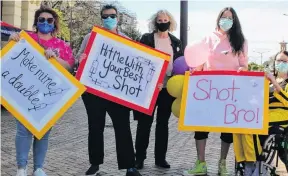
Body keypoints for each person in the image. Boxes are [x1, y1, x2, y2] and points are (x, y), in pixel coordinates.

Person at [76, 4, 141, 176]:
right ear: (101, 18)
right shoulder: (90, 37)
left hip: (118, 93)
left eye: (112, 16)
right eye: (105, 16)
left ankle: (130, 166)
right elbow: (78, 57)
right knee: (95, 127)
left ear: (118, 17)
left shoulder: (126, 39)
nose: (108, 19)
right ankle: (95, 164)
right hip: (94, 92)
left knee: (123, 128)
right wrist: (80, 58)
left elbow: (133, 67)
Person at [9, 6, 75, 176]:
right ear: (36, 22)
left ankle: (38, 168)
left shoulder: (61, 45)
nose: (45, 23)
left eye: (49, 20)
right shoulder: (25, 38)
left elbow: (69, 66)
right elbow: (10, 55)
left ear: (55, 24)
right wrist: (12, 39)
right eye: (42, 20)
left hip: (50, 96)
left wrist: (55, 58)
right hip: (23, 91)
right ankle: (21, 168)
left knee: (43, 131)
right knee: (23, 130)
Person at [183, 7, 248, 176]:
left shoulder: (240, 40)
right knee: (201, 127)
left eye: (230, 18)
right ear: (218, 19)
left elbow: (244, 63)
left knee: (226, 129)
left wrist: (242, 69)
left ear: (234, 21)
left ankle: (222, 163)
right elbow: (200, 61)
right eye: (223, 17)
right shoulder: (208, 38)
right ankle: (201, 163)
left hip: (230, 90)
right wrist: (195, 72)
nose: (226, 20)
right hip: (209, 90)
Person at [233, 50, 288, 175]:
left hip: (285, 113)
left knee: (252, 124)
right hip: (266, 112)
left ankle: (255, 164)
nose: (280, 63)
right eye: (278, 61)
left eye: (284, 61)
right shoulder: (269, 80)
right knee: (239, 125)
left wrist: (275, 83)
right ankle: (245, 161)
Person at [132, 10, 183, 170]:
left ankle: (160, 158)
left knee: (163, 124)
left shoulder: (175, 42)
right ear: (155, 22)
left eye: (165, 19)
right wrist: (154, 81)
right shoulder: (146, 38)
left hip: (167, 88)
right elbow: (140, 60)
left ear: (170, 22)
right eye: (160, 20)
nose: (163, 22)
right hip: (148, 87)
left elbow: (179, 66)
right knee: (144, 123)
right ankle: (139, 158)